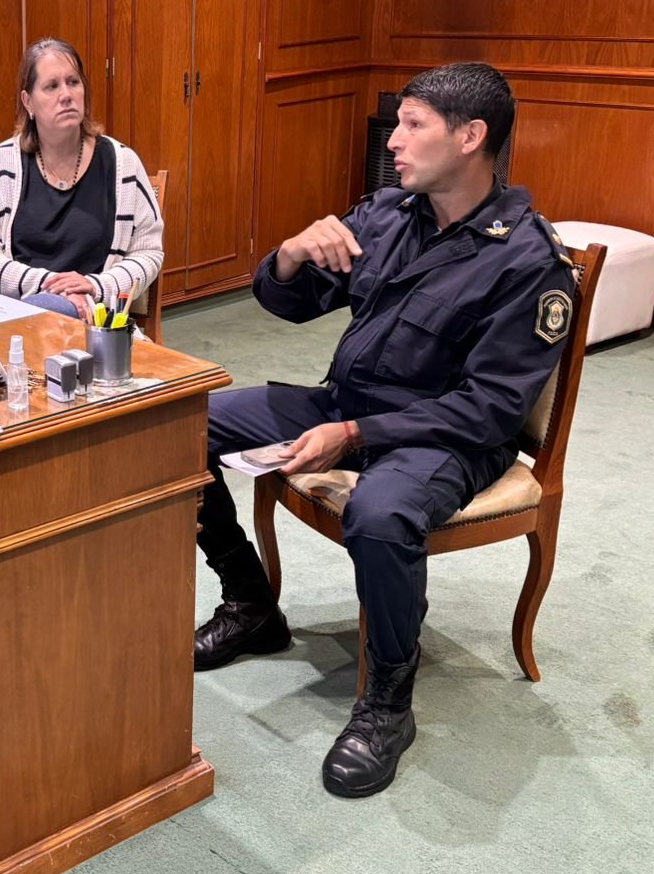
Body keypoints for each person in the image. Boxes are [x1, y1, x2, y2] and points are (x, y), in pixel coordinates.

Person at [193, 62, 576, 798]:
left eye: (412, 125)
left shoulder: (528, 260)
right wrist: (289, 255)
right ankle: (251, 606)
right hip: (348, 405)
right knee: (181, 426)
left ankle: (388, 703)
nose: (393, 140)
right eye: (397, 124)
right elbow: (292, 304)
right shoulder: (390, 214)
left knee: (381, 512)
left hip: (444, 438)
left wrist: (354, 433)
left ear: (470, 137)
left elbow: (490, 409)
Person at [0, 38, 163, 321]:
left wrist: (94, 286)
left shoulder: (124, 164)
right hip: (18, 318)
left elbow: (148, 253)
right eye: (52, 86)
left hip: (98, 326)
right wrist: (50, 287)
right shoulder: (0, 165)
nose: (66, 95)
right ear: (28, 102)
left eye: (73, 82)